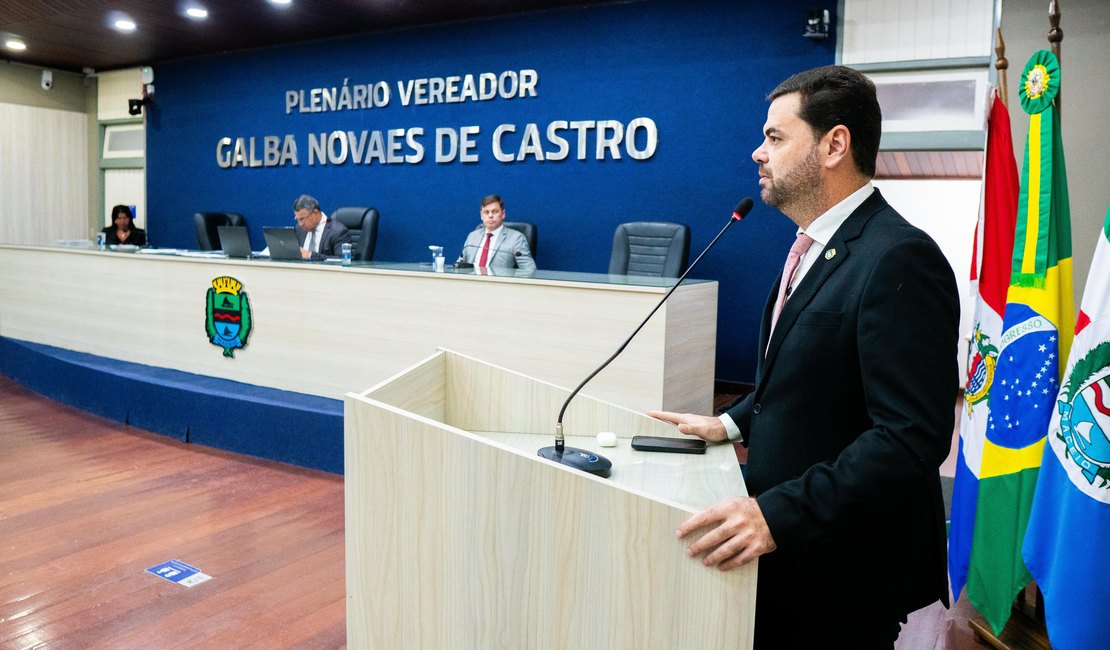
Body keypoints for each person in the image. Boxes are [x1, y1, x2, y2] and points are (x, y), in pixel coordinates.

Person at [648, 65, 959, 648]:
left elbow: (909, 439)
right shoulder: (811, 244)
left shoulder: (899, 259)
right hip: (790, 554)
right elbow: (804, 372)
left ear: (834, 143)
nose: (757, 153)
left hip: (841, 573)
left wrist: (776, 515)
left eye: (775, 137)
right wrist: (730, 421)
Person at [457, 194, 536, 273]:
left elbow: (529, 270)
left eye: (495, 212)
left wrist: (510, 279)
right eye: (486, 212)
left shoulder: (516, 238)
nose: (490, 215)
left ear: (503, 214)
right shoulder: (473, 236)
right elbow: (459, 266)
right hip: (471, 283)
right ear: (481, 215)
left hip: (499, 284)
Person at [292, 194, 351, 260]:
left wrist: (311, 255)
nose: (300, 224)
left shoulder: (338, 232)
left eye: (302, 219)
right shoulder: (299, 229)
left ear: (315, 213)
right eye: (297, 219)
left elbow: (342, 260)